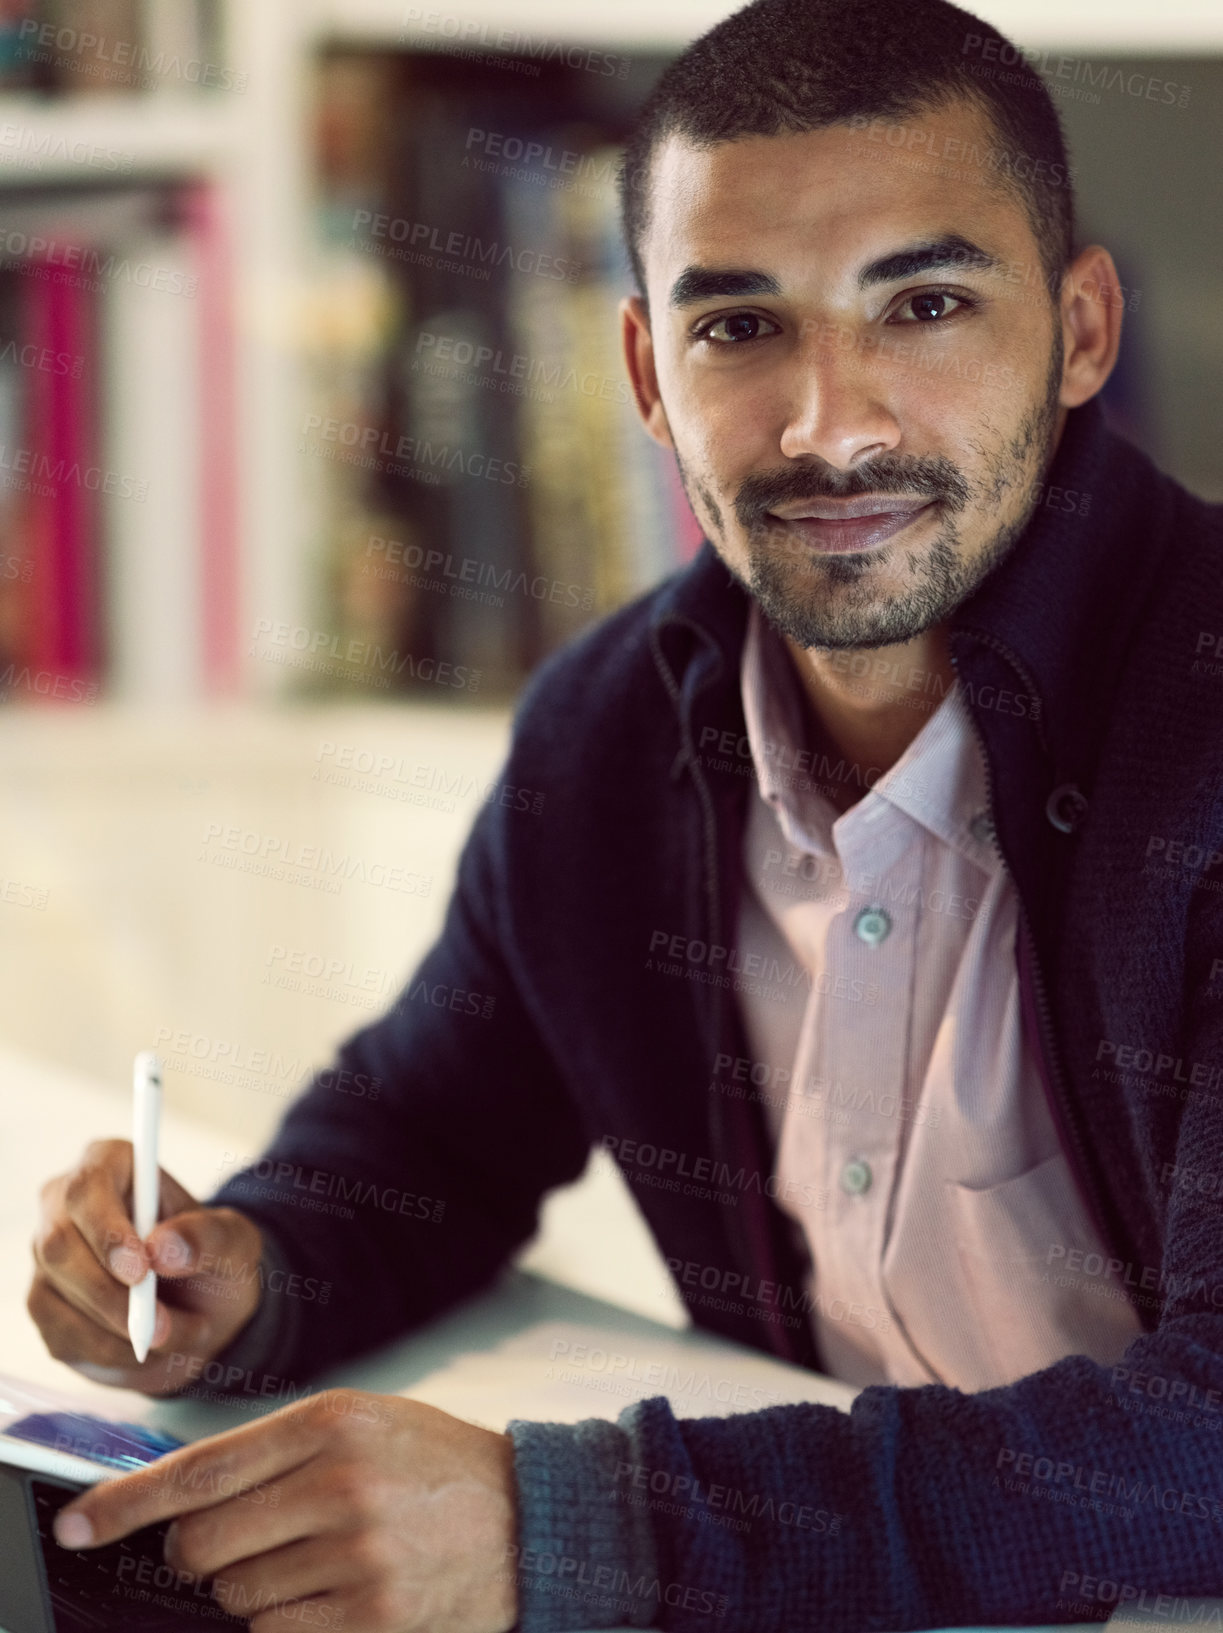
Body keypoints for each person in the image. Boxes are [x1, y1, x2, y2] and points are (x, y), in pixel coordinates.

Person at [27, 0, 1223, 1627]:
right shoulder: (607, 733)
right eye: (742, 330)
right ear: (647, 372)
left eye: (925, 305)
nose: (832, 425)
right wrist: (241, 1269)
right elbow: (425, 1138)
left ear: (1083, 331)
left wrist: (576, 1521)